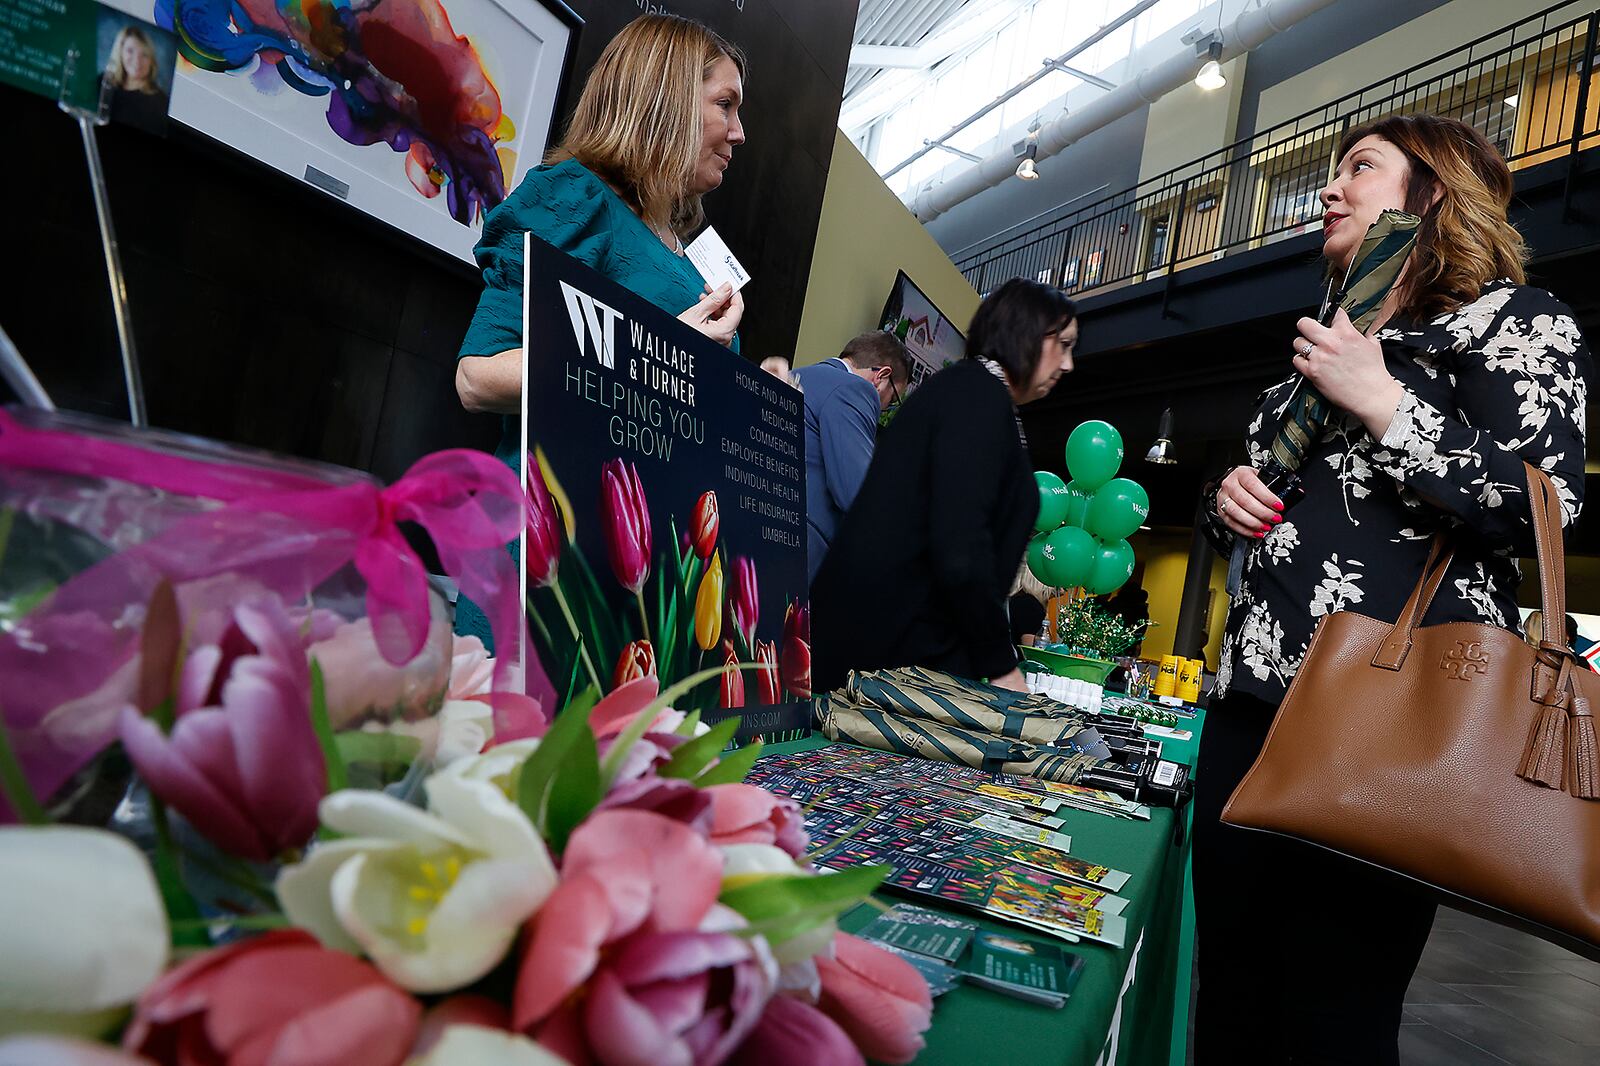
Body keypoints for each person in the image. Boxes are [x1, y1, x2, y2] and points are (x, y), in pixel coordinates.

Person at [1193, 114, 1589, 1065]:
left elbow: (1545, 502)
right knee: (1231, 1000)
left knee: (1336, 1019)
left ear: (1434, 192)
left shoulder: (1516, 319)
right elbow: (1260, 499)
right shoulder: (1330, 342)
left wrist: (1385, 405)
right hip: (1253, 710)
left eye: (1359, 168)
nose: (1330, 189)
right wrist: (1226, 500)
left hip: (1395, 719)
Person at [452, 14, 746, 647]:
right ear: (664, 97)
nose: (739, 133)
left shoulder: (688, 258)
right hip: (550, 559)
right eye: (725, 104)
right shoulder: (576, 198)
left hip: (640, 583)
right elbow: (478, 375)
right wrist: (665, 351)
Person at [811, 280, 1078, 694]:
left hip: (897, 656)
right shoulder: (975, 397)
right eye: (1062, 343)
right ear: (1023, 331)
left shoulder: (980, 397)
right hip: (883, 662)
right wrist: (1001, 665)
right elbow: (961, 543)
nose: (1067, 364)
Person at [792, 332, 910, 583]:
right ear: (881, 377)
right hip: (800, 548)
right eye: (892, 401)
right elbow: (855, 494)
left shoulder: (801, 373)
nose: (884, 411)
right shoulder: (856, 390)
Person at [98, 25, 169, 132]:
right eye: (130, 51)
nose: (137, 61)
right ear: (120, 52)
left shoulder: (160, 103)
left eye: (144, 55)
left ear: (151, 61)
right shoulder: (102, 81)